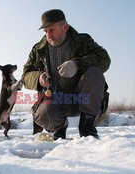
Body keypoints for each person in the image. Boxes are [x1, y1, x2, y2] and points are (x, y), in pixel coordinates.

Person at [22, 9, 111, 140]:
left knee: (94, 73)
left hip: (82, 97)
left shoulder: (82, 41)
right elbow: (25, 76)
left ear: (64, 27)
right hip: (56, 99)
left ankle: (87, 127)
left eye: (51, 30)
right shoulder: (38, 50)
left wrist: (77, 64)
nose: (48, 35)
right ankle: (60, 128)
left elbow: (104, 59)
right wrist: (38, 77)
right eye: (45, 31)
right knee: (44, 113)